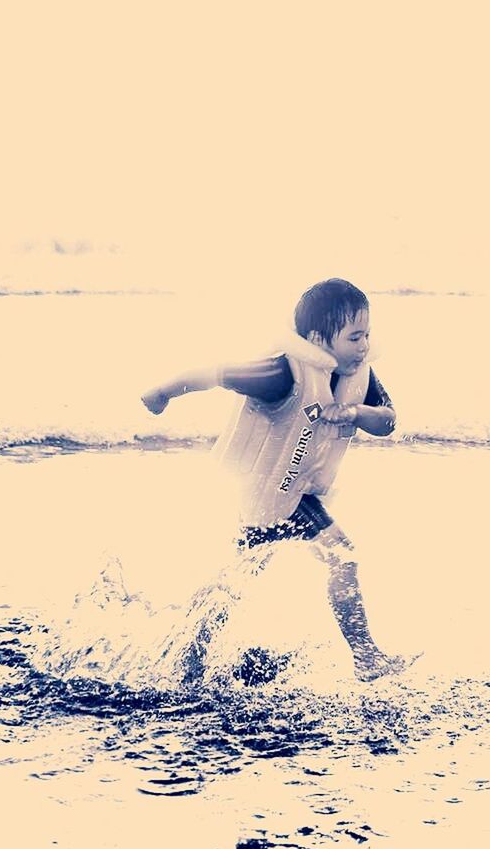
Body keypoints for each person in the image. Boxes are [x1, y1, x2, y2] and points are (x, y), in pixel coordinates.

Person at [141, 278, 411, 682]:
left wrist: (355, 413)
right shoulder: (284, 373)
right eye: (355, 337)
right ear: (320, 339)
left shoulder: (358, 375)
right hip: (268, 497)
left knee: (236, 580)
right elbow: (218, 373)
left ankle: (187, 657)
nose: (364, 345)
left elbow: (387, 420)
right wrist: (163, 391)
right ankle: (367, 657)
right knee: (343, 556)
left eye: (367, 335)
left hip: (293, 494)